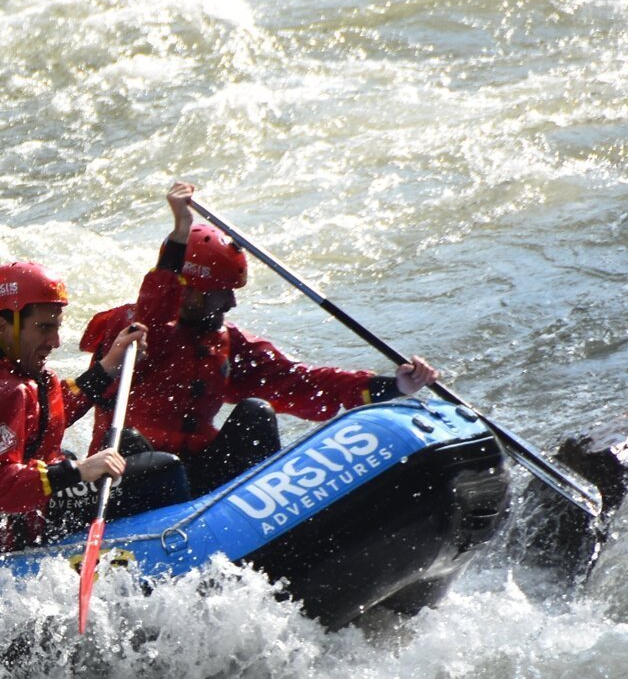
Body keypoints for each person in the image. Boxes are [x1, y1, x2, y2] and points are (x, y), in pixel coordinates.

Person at [80, 182, 439, 493]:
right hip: (139, 477)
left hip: (200, 475)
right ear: (188, 290)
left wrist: (395, 386)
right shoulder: (131, 330)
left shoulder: (227, 342)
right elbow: (153, 313)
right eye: (221, 293)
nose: (232, 303)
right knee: (141, 450)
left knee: (257, 413)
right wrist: (180, 231)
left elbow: (302, 383)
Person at [0, 262, 187, 552]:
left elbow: (45, 419)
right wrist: (78, 471)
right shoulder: (5, 390)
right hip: (6, 529)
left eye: (56, 328)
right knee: (164, 470)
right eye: (44, 328)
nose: (55, 341)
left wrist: (108, 366)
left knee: (127, 445)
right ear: (3, 326)